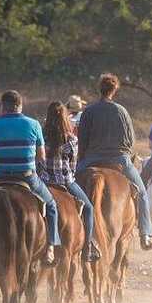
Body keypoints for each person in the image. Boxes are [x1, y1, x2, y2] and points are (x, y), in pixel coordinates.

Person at [0, 90, 61, 265]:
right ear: (20, 106)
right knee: (51, 205)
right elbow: (41, 157)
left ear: (2, 107)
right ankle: (51, 247)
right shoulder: (34, 124)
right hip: (27, 176)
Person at [76, 73, 152, 250]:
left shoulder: (89, 111)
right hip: (119, 159)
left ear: (100, 89)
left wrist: (81, 161)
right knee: (142, 193)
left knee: (69, 190)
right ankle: (146, 233)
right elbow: (130, 140)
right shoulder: (122, 111)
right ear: (114, 91)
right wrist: (126, 155)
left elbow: (82, 140)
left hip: (91, 160)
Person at [40, 101, 101, 263]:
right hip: (66, 182)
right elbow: (73, 166)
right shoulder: (72, 139)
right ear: (65, 118)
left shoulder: (41, 137)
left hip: (44, 183)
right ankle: (88, 247)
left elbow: (38, 161)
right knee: (88, 208)